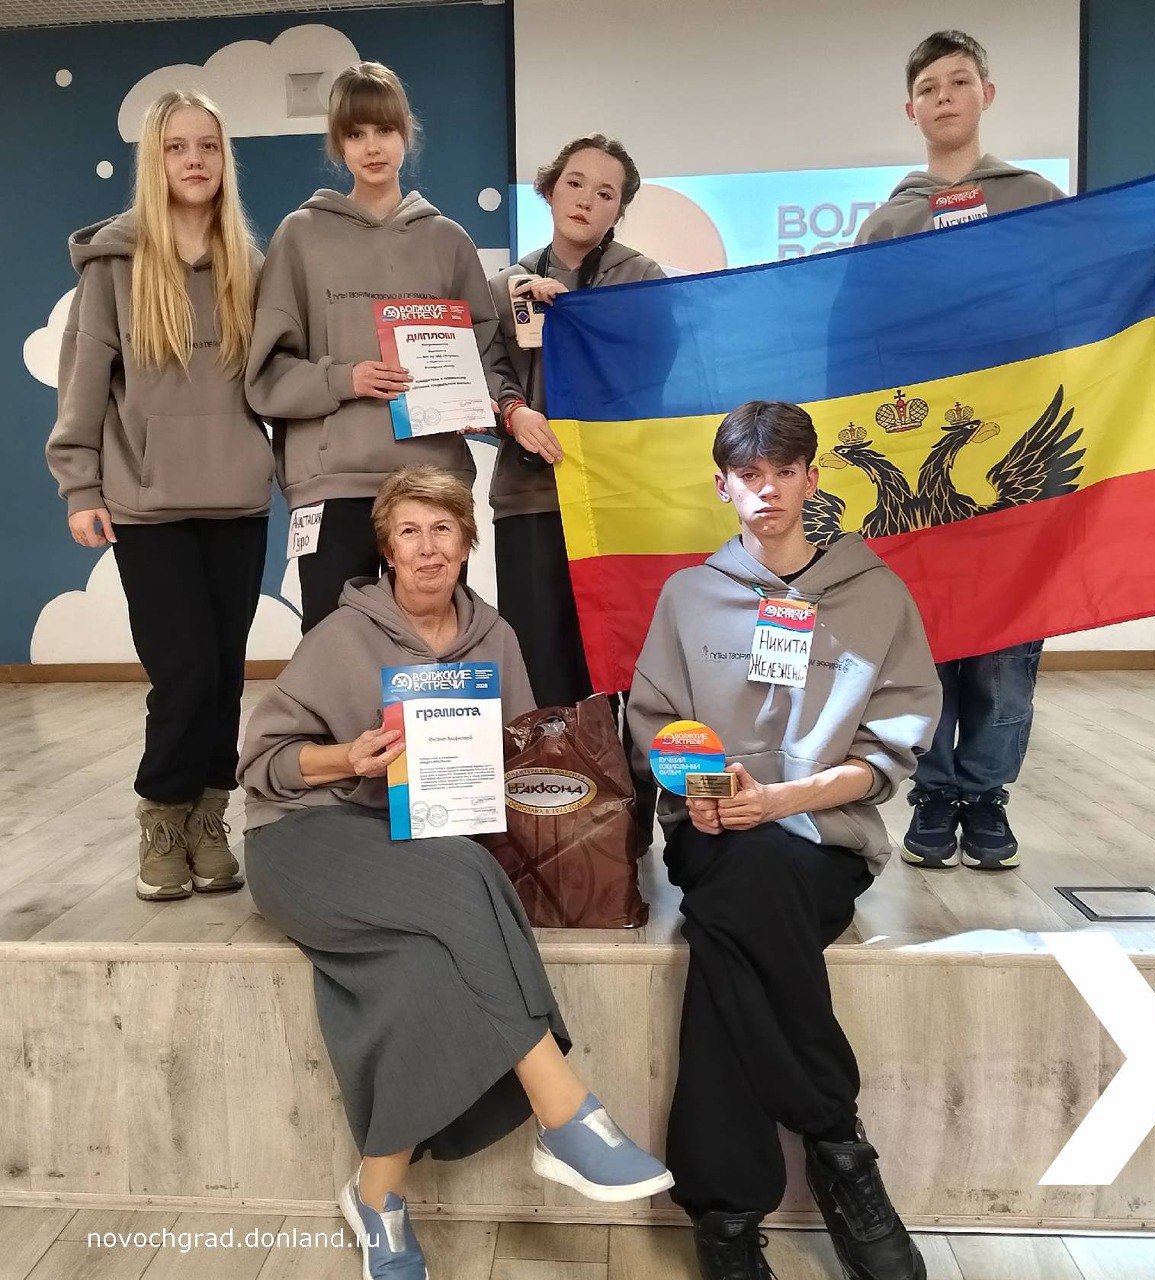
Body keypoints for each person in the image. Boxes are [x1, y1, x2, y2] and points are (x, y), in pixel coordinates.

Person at [238, 465, 672, 1280]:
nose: (427, 548)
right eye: (409, 532)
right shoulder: (340, 637)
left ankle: (376, 1198)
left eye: (443, 529)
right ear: (387, 550)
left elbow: (519, 757)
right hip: (303, 839)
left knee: (422, 968)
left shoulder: (496, 638)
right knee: (463, 876)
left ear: (468, 543)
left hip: (418, 850)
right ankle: (565, 1112)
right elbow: (261, 765)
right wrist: (347, 756)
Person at [855, 29, 1155, 872]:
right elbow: (853, 340)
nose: (945, 97)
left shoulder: (1039, 201)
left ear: (985, 94)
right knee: (927, 639)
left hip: (1015, 463)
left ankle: (985, 794)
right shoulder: (886, 224)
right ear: (911, 109)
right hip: (919, 469)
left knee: (1006, 645)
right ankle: (932, 791)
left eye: (960, 81)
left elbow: (1111, 274)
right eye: (930, 86)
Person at [627, 403, 941, 1280]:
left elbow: (888, 753)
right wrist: (712, 798)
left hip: (823, 836)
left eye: (784, 472)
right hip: (714, 829)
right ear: (722, 486)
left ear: (811, 478)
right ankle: (840, 1146)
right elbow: (655, 728)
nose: (767, 491)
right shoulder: (688, 596)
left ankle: (727, 1219)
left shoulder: (876, 594)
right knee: (748, 873)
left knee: (733, 932)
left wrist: (785, 799)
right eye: (749, 476)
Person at [46, 90, 270, 903]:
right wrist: (79, 483)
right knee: (184, 673)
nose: (194, 160)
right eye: (177, 147)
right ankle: (162, 818)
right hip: (146, 502)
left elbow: (276, 379)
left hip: (237, 500)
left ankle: (210, 817)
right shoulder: (115, 265)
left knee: (226, 675)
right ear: (155, 160)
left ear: (223, 158)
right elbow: (82, 384)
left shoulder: (251, 264)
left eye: (207, 145)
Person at [245, 61, 528, 633]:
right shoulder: (299, 237)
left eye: (385, 130)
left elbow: (484, 357)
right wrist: (344, 379)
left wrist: (503, 407)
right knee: (335, 643)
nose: (372, 147)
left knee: (436, 640)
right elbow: (266, 376)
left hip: (432, 481)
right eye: (355, 134)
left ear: (406, 134)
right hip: (333, 484)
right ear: (338, 145)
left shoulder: (448, 241)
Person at [488, 133, 666, 706]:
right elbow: (488, 371)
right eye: (574, 183)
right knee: (539, 660)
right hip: (530, 497)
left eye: (606, 193)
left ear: (619, 210)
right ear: (548, 189)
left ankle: (620, 766)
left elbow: (653, 377)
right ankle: (551, 766)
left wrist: (575, 314)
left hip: (614, 496)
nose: (586, 199)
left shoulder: (642, 279)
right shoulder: (506, 286)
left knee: (617, 657)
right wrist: (514, 412)